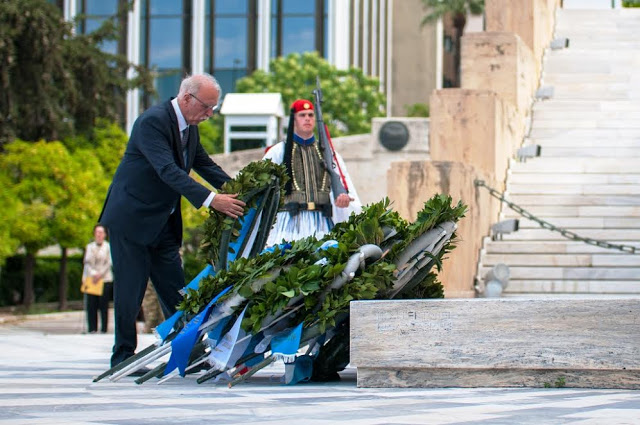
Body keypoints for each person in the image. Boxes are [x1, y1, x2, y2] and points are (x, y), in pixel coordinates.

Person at [99, 73, 245, 369]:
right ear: (187, 98)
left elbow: (204, 164)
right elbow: (168, 170)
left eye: (213, 110)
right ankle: (123, 356)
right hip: (132, 219)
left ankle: (189, 353)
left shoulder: (189, 127)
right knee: (130, 290)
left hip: (163, 223)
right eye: (206, 107)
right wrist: (212, 201)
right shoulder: (153, 122)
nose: (208, 115)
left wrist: (241, 190)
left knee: (177, 291)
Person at [263, 99, 361, 246]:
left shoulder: (328, 153)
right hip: (288, 224)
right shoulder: (278, 152)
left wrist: (344, 198)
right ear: (294, 119)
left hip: (322, 223)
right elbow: (264, 188)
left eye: (310, 115)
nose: (307, 118)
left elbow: (344, 182)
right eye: (302, 115)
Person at [83, 224, 113, 334]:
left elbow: (109, 262)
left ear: (105, 234)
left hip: (105, 279)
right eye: (97, 232)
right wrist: (93, 274)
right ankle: (92, 328)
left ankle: (103, 329)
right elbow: (87, 263)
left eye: (101, 232)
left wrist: (100, 274)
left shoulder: (108, 247)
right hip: (92, 279)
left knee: (103, 305)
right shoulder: (90, 247)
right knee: (91, 305)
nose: (99, 235)